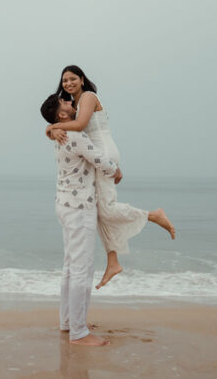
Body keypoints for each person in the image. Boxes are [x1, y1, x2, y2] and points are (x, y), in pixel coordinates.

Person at [41, 65, 176, 290]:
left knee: (107, 208)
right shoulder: (73, 105)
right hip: (93, 152)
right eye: (64, 80)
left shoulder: (88, 97)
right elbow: (70, 127)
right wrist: (51, 130)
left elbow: (81, 125)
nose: (68, 83)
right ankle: (113, 261)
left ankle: (153, 215)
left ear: (82, 80)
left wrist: (52, 127)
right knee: (100, 209)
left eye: (73, 78)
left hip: (102, 152)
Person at [43, 97, 120, 347]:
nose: (68, 101)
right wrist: (116, 170)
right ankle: (79, 332)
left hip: (64, 205)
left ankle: (69, 322)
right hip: (79, 209)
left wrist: (51, 128)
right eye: (63, 102)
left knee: (70, 266)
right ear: (62, 115)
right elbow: (99, 159)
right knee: (82, 269)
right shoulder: (73, 136)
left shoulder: (60, 135)